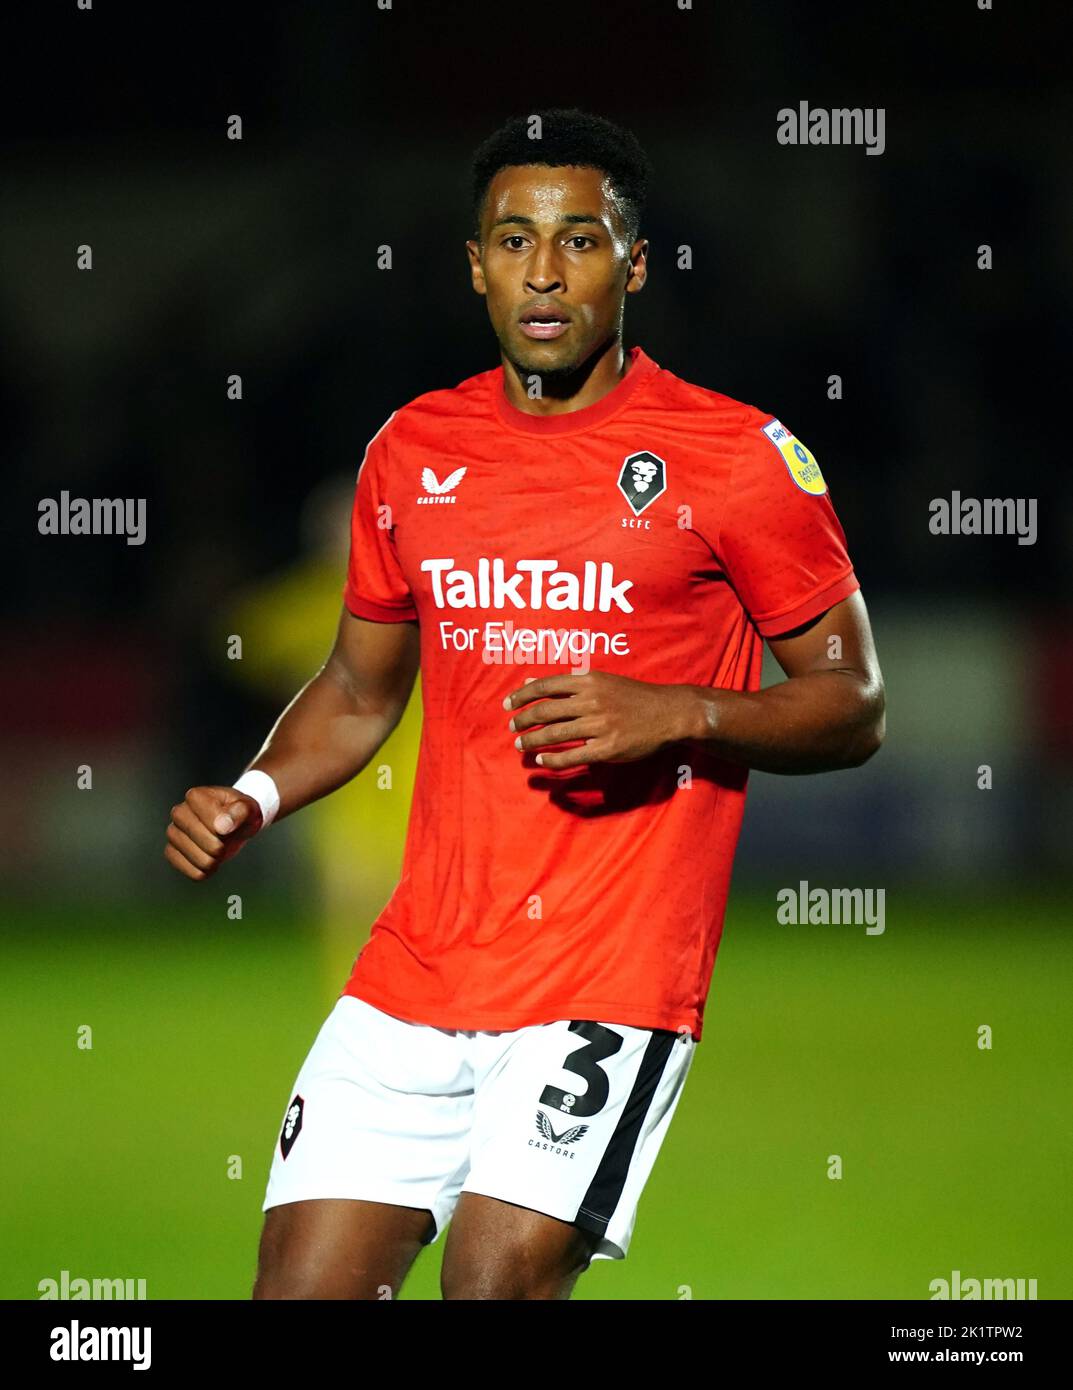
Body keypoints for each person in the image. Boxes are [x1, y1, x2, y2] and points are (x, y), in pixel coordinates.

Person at [164, 107, 885, 1300]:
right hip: (417, 969)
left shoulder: (735, 458)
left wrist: (679, 710)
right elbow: (355, 686)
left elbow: (852, 702)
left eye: (580, 240)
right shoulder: (411, 451)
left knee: (492, 1284)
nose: (543, 272)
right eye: (511, 239)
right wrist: (254, 792)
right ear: (474, 263)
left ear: (634, 263)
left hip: (606, 978)